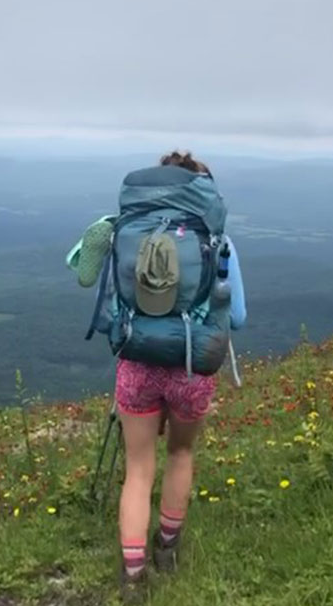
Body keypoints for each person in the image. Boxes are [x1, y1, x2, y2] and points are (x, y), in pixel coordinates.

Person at [68, 151, 246, 603]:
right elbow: (238, 318)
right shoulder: (217, 240)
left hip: (137, 360)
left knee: (138, 469)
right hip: (192, 363)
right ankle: (167, 552)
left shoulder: (131, 229)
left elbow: (89, 278)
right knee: (181, 454)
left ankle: (132, 577)